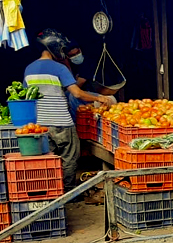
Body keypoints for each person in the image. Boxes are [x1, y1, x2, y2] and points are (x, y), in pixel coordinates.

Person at [24, 28, 113, 190]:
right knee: (70, 158)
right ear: (54, 47)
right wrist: (98, 98)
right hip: (62, 123)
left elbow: (27, 98)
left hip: (41, 125)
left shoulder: (28, 70)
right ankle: (68, 192)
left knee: (48, 160)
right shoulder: (59, 69)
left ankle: (52, 191)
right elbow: (77, 92)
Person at [62, 42, 119, 120]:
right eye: (72, 55)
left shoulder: (88, 63)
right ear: (67, 57)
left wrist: (68, 67)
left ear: (80, 50)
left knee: (72, 94)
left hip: (104, 97)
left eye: (77, 53)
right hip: (89, 98)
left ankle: (76, 122)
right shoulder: (74, 65)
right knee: (66, 94)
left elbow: (77, 86)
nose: (76, 56)